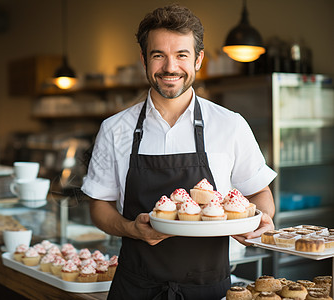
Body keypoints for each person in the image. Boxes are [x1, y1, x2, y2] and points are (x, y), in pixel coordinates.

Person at [81, 4, 277, 300]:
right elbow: (99, 206)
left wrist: (255, 222)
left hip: (209, 289)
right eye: (158, 55)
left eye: (181, 55)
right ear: (143, 59)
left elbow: (260, 195)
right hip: (135, 289)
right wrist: (133, 229)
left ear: (198, 59)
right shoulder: (114, 129)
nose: (170, 67)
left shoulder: (230, 125)